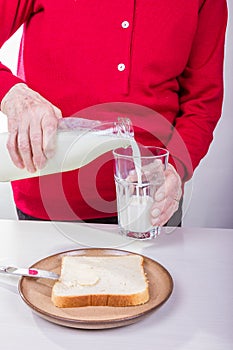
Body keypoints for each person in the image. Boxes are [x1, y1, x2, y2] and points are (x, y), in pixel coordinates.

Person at [0, 1, 228, 226]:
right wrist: (12, 94)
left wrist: (175, 168)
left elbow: (203, 99)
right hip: (46, 200)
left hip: (151, 202)